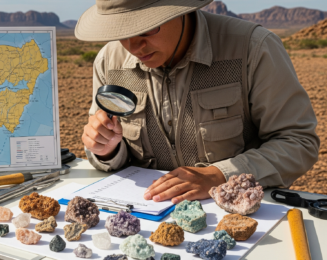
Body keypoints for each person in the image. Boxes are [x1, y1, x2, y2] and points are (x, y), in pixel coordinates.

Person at [77, 0, 320, 204]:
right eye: (120, 33)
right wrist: (106, 149)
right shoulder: (109, 61)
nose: (132, 46)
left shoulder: (252, 48)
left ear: (180, 9)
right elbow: (108, 148)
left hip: (239, 216)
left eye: (146, 28)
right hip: (147, 215)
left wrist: (220, 175)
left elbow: (297, 142)